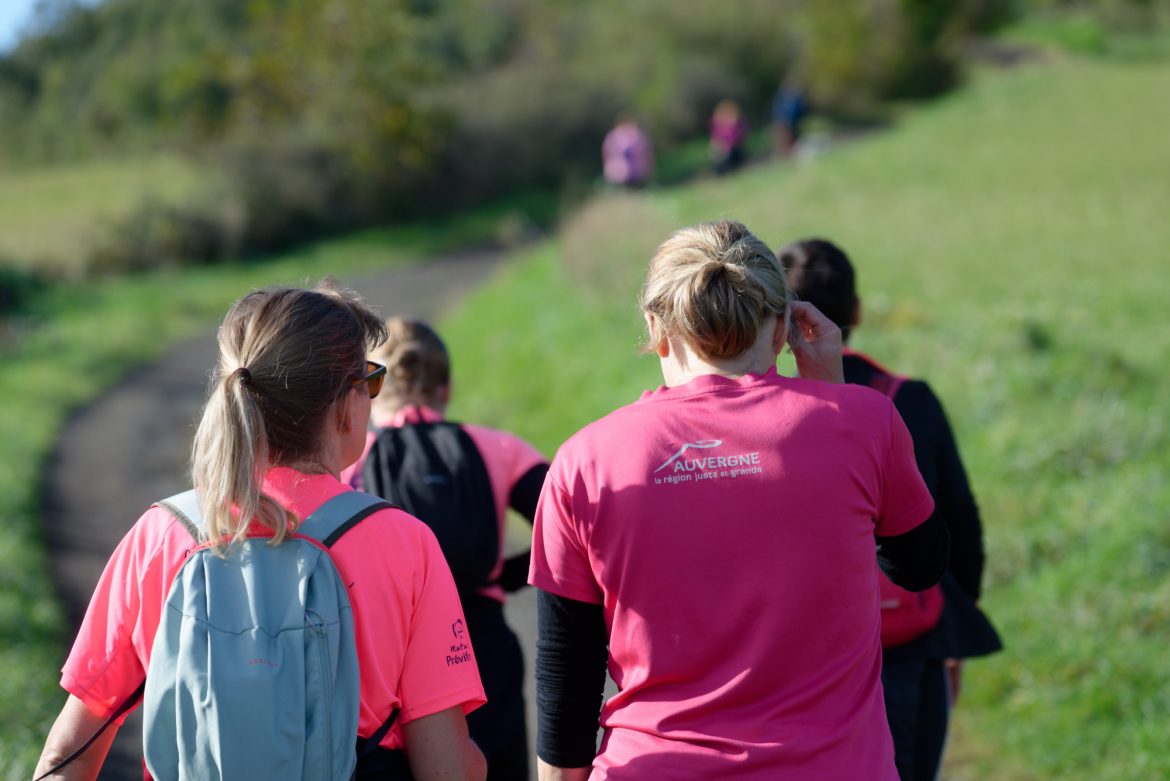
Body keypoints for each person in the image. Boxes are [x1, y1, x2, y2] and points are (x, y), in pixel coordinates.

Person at [529, 220, 950, 780]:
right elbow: (919, 567)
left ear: (655, 327)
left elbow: (567, 680)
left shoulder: (586, 460)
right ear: (783, 331)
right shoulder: (863, 422)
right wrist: (829, 386)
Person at [34, 282, 487, 781]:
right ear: (344, 406)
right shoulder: (405, 543)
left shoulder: (161, 534)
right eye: (369, 380)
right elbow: (446, 768)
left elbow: (66, 759)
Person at [780, 238, 1002, 781]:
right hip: (911, 642)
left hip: (806, 655)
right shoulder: (909, 401)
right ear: (856, 311)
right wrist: (952, 625)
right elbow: (960, 521)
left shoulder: (765, 415)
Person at [342, 317, 549, 781]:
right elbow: (573, 528)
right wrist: (506, 574)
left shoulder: (348, 461)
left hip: (382, 656)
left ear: (373, 389)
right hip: (482, 647)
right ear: (446, 386)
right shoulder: (499, 448)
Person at [601, 116, 653, 189]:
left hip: (637, 171)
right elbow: (607, 155)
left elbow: (646, 154)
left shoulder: (638, 137)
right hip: (618, 171)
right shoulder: (612, 138)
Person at [709, 99, 748, 175]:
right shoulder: (718, 125)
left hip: (735, 149)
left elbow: (741, 136)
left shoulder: (738, 123)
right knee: (724, 160)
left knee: (734, 157)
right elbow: (715, 139)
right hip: (724, 150)